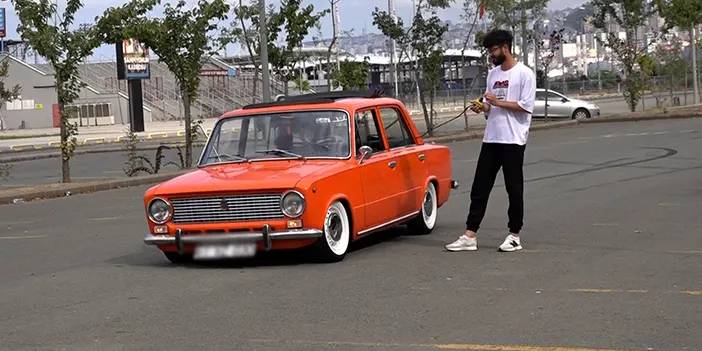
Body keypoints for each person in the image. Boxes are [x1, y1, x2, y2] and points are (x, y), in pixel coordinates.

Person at [445, 29, 536, 253]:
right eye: (489, 51)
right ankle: (470, 235)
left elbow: (525, 107)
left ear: (505, 47)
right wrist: (483, 107)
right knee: (479, 187)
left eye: (493, 50)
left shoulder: (525, 74)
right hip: (492, 137)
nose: (491, 54)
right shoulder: (493, 74)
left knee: (513, 189)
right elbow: (489, 106)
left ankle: (514, 235)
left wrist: (496, 102)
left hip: (513, 140)